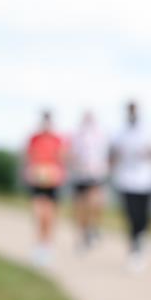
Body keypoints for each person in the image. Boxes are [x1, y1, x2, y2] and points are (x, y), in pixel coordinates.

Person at [111, 102, 151, 272]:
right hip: (126, 180)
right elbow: (114, 154)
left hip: (146, 180)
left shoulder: (149, 130)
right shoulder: (120, 133)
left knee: (144, 215)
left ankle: (143, 237)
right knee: (131, 216)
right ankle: (134, 250)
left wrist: (147, 153)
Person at [24, 111, 67, 267]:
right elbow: (28, 156)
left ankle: (46, 245)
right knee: (38, 213)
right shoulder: (34, 138)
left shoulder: (57, 139)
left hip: (52, 180)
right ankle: (39, 243)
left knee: (49, 215)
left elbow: (62, 159)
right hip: (37, 179)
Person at [69, 111, 110, 249]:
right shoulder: (77, 135)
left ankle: (93, 227)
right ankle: (83, 233)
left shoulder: (100, 134)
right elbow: (71, 154)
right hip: (80, 175)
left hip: (95, 174)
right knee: (81, 207)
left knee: (95, 202)